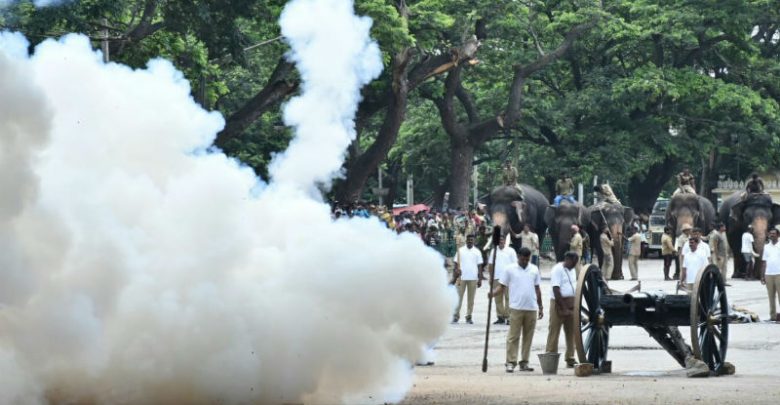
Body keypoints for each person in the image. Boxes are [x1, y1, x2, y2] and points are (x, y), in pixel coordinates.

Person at [490, 248, 543, 372]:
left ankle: (524, 362)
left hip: (531, 308)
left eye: (527, 259)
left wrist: (540, 306)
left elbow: (537, 289)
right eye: (522, 259)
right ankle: (510, 362)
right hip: (516, 308)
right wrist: (492, 294)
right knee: (513, 336)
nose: (525, 261)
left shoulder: (534, 269)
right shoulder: (510, 269)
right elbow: (501, 287)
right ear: (518, 257)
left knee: (528, 337)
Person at [545, 252, 579, 368]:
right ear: (567, 259)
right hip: (558, 302)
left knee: (571, 332)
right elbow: (556, 289)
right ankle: (550, 358)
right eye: (573, 262)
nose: (574, 265)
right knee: (554, 331)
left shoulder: (573, 270)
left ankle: (570, 358)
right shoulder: (557, 269)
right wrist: (563, 308)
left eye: (576, 263)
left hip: (571, 302)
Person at [452, 234, 484, 324]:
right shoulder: (460, 251)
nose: (470, 241)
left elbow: (480, 266)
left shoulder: (477, 252)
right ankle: (455, 316)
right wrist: (455, 271)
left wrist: (480, 279)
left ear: (474, 241)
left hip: (473, 278)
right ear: (466, 240)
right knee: (458, 298)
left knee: (471, 299)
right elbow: (455, 263)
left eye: (472, 240)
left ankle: (469, 316)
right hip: (461, 278)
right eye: (469, 239)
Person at [488, 235, 519, 325]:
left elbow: (515, 265)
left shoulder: (511, 251)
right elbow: (491, 265)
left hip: (509, 279)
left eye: (502, 240)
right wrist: (491, 277)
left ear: (505, 241)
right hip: (497, 278)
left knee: (508, 298)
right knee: (498, 299)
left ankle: (509, 317)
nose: (501, 242)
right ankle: (500, 317)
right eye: (499, 240)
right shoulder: (493, 251)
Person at [761, 228, 780, 321]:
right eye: (770, 233)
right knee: (771, 296)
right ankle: (773, 316)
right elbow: (764, 262)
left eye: (774, 233)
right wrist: (762, 275)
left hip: (779, 274)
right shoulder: (766, 247)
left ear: (778, 235)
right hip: (768, 274)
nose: (772, 235)